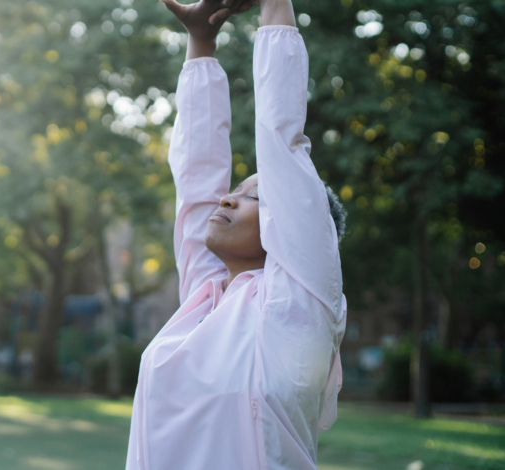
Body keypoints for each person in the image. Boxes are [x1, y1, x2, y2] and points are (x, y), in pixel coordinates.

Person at [125, 0, 347, 468]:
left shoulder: (297, 306)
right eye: (234, 192)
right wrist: (201, 42)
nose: (226, 200)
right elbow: (195, 179)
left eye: (255, 198)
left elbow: (280, 141)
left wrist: (274, 5)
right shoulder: (205, 302)